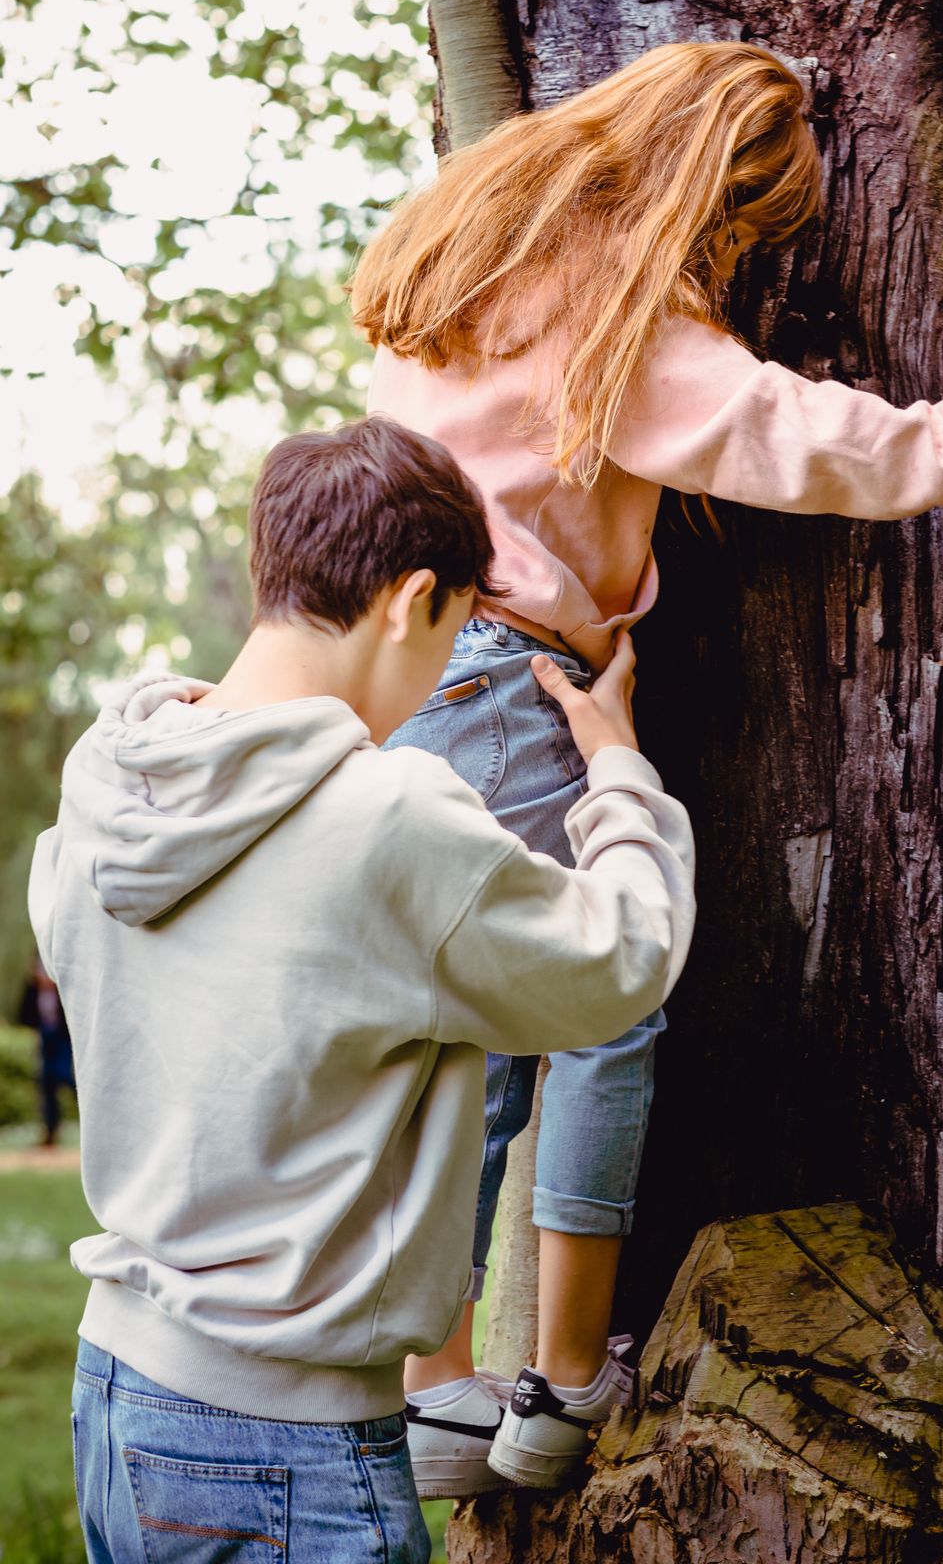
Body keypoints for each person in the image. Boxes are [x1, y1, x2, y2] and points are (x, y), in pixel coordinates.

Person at [349, 37, 943, 1494]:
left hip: (412, 671)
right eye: (749, 227)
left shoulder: (481, 255)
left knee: (459, 1037)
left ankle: (437, 1396)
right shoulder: (622, 320)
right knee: (605, 992)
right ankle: (566, 1377)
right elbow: (784, 430)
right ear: (708, 195)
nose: (744, 256)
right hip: (514, 670)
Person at [28, 415, 695, 1563]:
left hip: (117, 1397)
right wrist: (618, 771)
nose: (444, 673)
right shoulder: (384, 817)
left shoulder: (104, 792)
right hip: (281, 1445)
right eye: (457, 632)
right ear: (411, 599)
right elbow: (617, 964)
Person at [18, 951, 75, 1146]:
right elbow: (25, 1016)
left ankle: (92, 1120)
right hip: (45, 1039)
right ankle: (50, 1132)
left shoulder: (64, 990)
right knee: (47, 1083)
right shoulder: (33, 990)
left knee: (68, 1078)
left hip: (63, 1039)